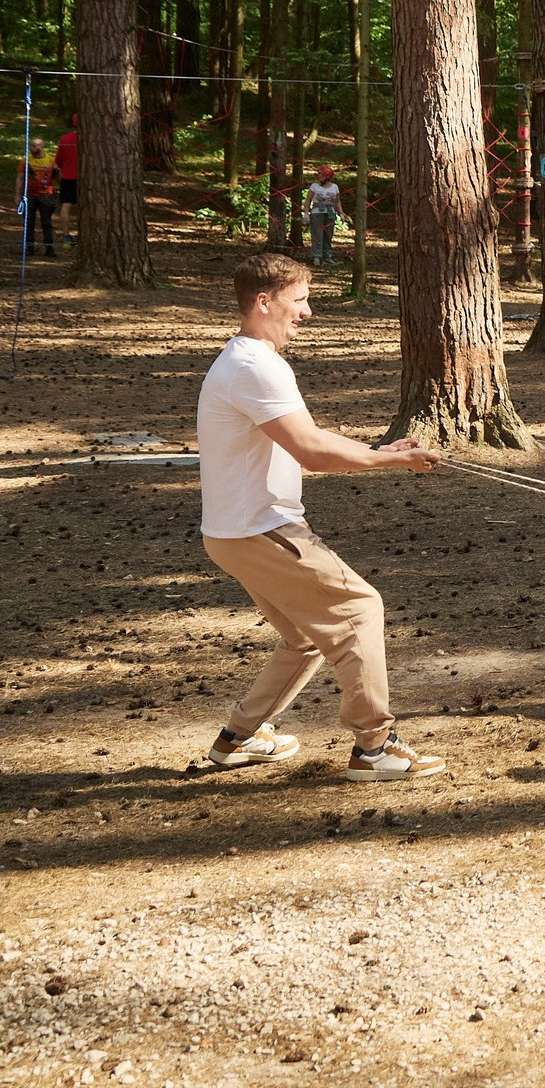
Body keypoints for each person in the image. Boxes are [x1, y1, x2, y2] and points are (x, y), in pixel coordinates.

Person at [198, 252, 448, 780]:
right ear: (264, 302)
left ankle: (239, 738)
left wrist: (379, 449)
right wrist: (392, 461)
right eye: (301, 299)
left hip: (235, 534)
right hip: (262, 531)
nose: (307, 312)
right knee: (359, 608)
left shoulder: (244, 360)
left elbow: (300, 439)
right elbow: (311, 450)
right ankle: (374, 747)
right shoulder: (255, 365)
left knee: (306, 637)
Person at [22, 142, 62, 259]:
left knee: (47, 222)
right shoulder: (25, 161)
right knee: (29, 222)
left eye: (35, 145)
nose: (32, 148)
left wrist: (59, 174)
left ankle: (49, 248)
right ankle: (29, 248)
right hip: (30, 195)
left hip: (46, 196)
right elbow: (20, 178)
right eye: (31, 146)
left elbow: (57, 177)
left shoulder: (50, 161)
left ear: (41, 147)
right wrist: (18, 195)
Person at [306, 166, 344, 266]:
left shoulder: (334, 187)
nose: (318, 176)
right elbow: (308, 200)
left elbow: (337, 201)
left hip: (330, 213)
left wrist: (341, 213)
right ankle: (316, 256)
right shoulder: (314, 186)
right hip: (317, 213)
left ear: (327, 177)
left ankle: (327, 257)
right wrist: (306, 213)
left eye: (321, 174)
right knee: (317, 235)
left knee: (328, 235)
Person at [56, 114, 81, 245]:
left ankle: (66, 236)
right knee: (86, 207)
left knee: (66, 206)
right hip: (84, 179)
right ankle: (83, 235)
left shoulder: (65, 139)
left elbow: (58, 161)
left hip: (67, 178)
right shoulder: (93, 140)